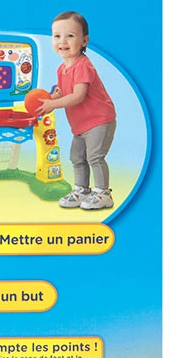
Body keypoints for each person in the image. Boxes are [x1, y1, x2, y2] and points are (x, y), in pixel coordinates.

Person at [38, 12, 117, 210]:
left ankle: (103, 193)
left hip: (99, 120)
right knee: (77, 156)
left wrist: (53, 105)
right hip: (80, 124)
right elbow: (64, 92)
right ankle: (82, 190)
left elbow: (78, 96)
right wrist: (50, 98)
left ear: (84, 41)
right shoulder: (61, 69)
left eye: (70, 36)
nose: (62, 41)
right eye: (57, 36)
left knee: (94, 157)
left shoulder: (83, 66)